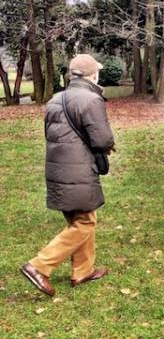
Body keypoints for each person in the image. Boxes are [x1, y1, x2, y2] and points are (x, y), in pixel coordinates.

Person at [21, 54, 115, 297]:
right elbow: (102, 140)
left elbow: (50, 134)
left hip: (57, 168)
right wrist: (108, 146)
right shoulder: (91, 99)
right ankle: (39, 266)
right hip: (78, 168)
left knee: (79, 218)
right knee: (85, 222)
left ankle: (83, 271)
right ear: (93, 75)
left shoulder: (55, 99)